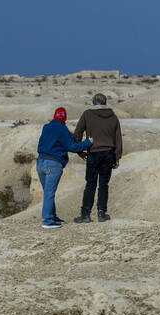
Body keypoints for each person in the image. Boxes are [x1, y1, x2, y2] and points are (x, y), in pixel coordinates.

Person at [37, 107, 92, 229]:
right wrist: (88, 142)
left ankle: (52, 217)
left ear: (54, 116)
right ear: (65, 118)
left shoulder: (46, 127)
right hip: (53, 164)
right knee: (49, 193)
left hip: (40, 162)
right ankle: (47, 220)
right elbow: (72, 146)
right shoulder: (63, 129)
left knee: (47, 192)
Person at [72, 93, 123, 222]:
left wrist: (79, 150)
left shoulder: (87, 114)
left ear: (93, 102)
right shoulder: (113, 117)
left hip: (93, 153)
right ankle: (101, 213)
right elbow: (118, 139)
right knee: (104, 184)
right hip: (108, 153)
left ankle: (86, 214)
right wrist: (117, 157)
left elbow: (77, 133)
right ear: (105, 102)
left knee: (90, 184)